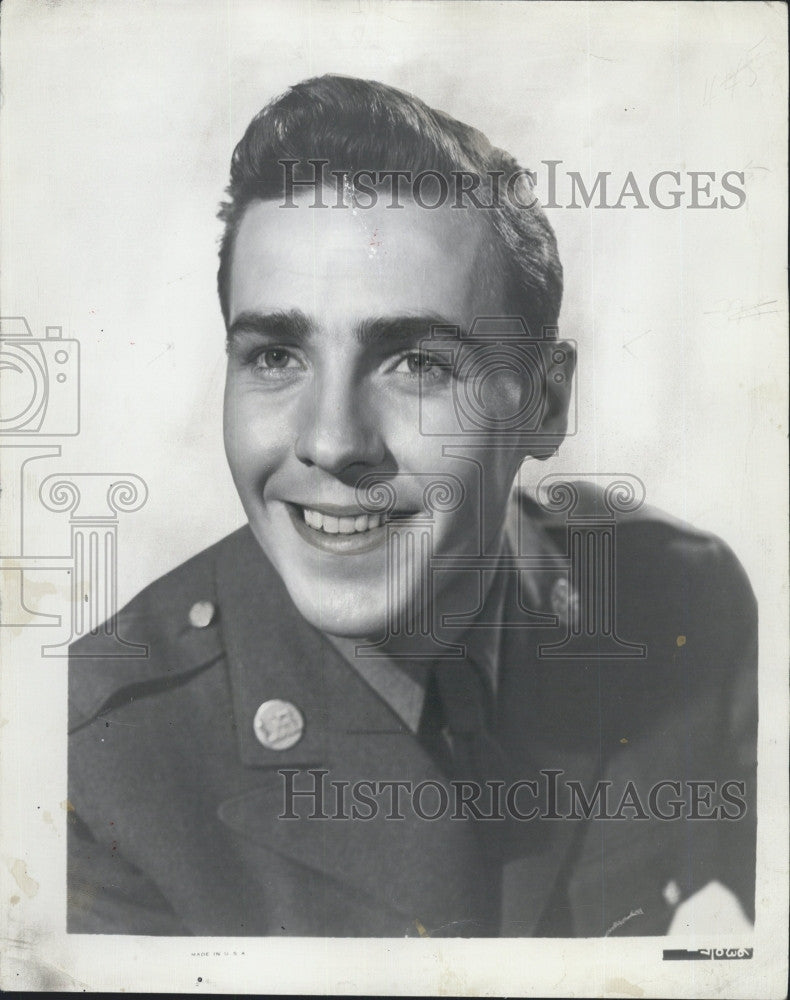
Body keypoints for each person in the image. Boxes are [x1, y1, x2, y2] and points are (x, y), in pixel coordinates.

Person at [68, 75, 756, 937]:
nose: (331, 441)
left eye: (417, 363)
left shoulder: (684, 605)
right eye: (277, 355)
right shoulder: (98, 764)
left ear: (543, 404)